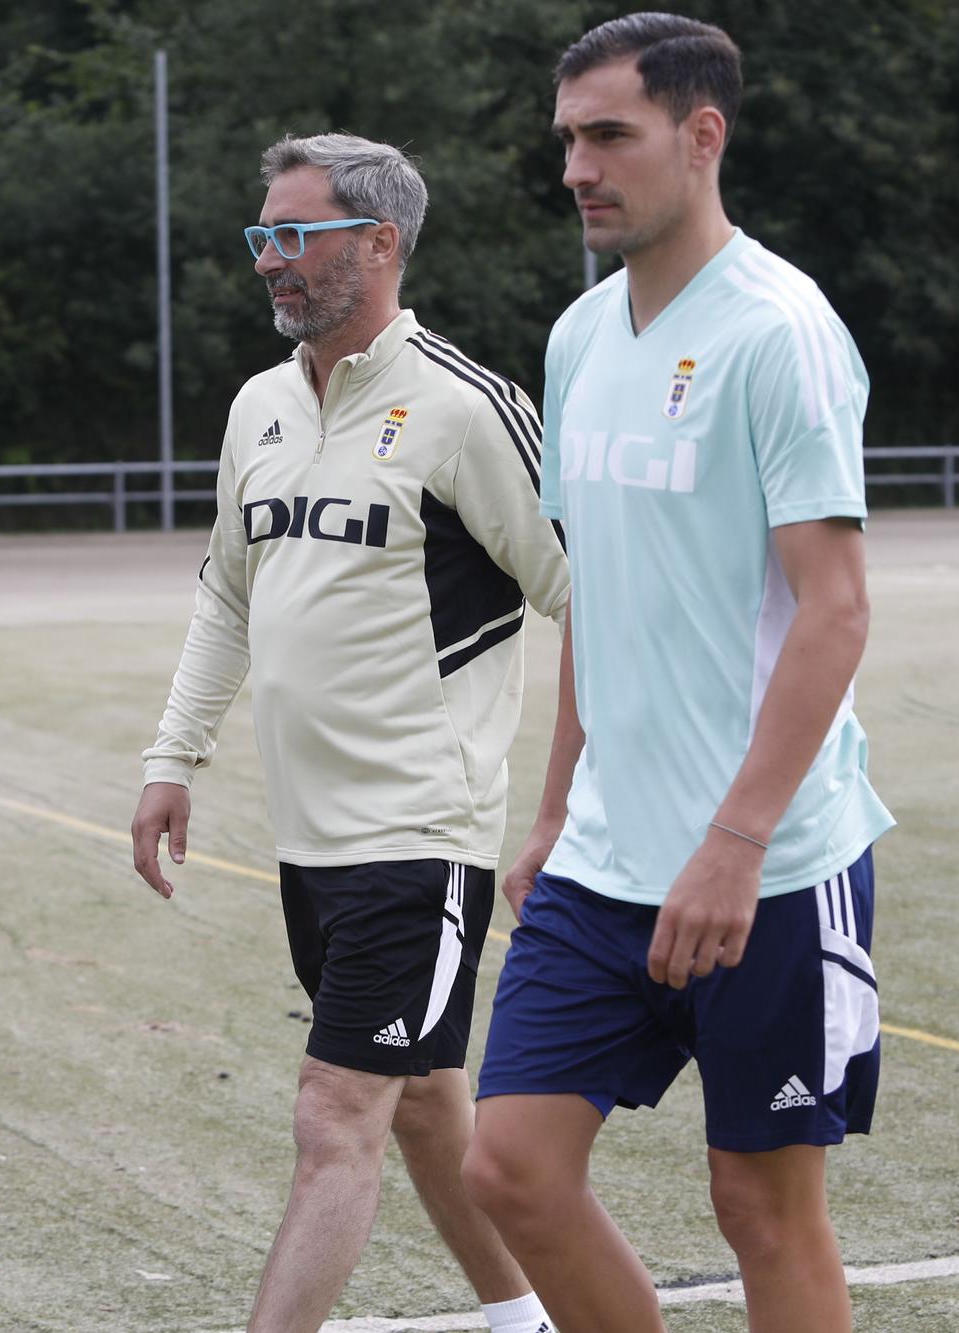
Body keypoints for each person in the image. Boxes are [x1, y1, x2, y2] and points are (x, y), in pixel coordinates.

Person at [461, 16, 893, 1333]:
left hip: (770, 862)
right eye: (569, 141)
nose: (579, 169)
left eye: (610, 137)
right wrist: (553, 810)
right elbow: (600, 590)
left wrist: (737, 841)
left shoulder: (779, 334)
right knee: (509, 1168)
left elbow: (836, 608)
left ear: (701, 137)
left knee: (763, 1208)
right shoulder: (581, 337)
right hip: (605, 860)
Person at [131, 133, 562, 1333]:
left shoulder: (468, 407)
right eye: (259, 236)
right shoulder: (258, 405)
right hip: (308, 842)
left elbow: (591, 595)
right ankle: (522, 1316)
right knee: (422, 1099)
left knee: (336, 1114)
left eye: (294, 234)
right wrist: (172, 759)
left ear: (377, 244)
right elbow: (225, 592)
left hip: (421, 830)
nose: (270, 260)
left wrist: (571, 804)